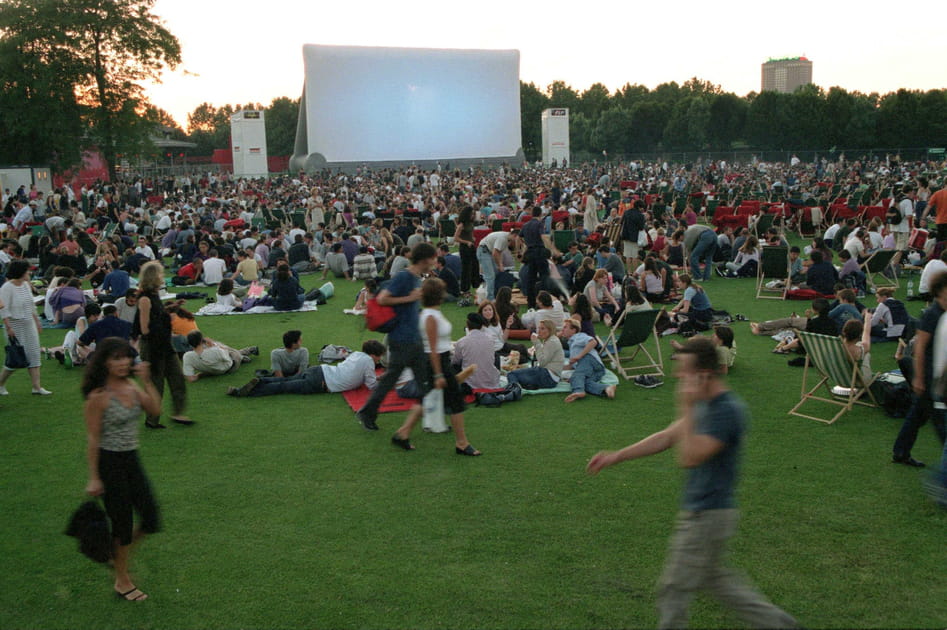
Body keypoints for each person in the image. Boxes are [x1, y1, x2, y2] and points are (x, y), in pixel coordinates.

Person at [586, 336, 798, 629]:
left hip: (707, 515)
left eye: (683, 370)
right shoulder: (704, 403)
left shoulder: (726, 411)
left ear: (704, 374)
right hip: (706, 512)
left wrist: (685, 403)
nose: (677, 376)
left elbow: (688, 456)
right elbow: (667, 437)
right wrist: (616, 456)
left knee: (673, 589)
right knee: (721, 583)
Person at [82, 338, 162, 601]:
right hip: (109, 463)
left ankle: (115, 555)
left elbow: (155, 410)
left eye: (126, 357)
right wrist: (94, 477)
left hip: (131, 459)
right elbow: (93, 439)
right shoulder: (98, 396)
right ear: (105, 361)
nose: (123, 362)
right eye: (116, 358)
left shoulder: (132, 387)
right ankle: (122, 580)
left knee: (150, 517)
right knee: (123, 524)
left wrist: (147, 381)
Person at [388, 277, 481, 455]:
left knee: (426, 401)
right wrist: (438, 375)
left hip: (438, 361)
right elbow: (432, 348)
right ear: (437, 295)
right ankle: (461, 443)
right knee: (455, 401)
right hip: (436, 363)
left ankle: (403, 433)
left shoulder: (432, 313)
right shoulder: (430, 316)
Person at [355, 242, 438, 432]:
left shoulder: (416, 277)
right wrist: (409, 298)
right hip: (401, 338)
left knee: (422, 378)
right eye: (432, 258)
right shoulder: (405, 276)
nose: (434, 262)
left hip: (412, 336)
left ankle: (431, 419)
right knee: (393, 379)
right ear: (425, 259)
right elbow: (383, 298)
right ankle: (368, 412)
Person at [892, 271, 947, 467]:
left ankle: (900, 452)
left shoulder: (943, 312)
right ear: (941, 290)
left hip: (937, 376)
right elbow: (920, 348)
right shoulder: (932, 314)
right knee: (941, 424)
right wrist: (919, 378)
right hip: (932, 377)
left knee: (917, 415)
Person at [133, 261, 192, 428]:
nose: (162, 278)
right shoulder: (144, 298)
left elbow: (156, 314)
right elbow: (145, 328)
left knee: (177, 379)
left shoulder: (154, 295)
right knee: (156, 384)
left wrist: (171, 308)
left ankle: (178, 413)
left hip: (164, 344)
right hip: (153, 346)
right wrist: (164, 322)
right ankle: (152, 420)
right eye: (160, 274)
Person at [229, 340, 385, 397]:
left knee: (284, 380)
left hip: (320, 370)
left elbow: (357, 373)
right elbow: (371, 385)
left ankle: (258, 381)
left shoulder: (357, 354)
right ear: (374, 355)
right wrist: (385, 382)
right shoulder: (369, 363)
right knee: (283, 387)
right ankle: (243, 392)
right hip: (322, 382)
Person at [0, 260, 51, 395]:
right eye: (27, 271)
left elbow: (31, 305)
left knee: (34, 354)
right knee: (16, 357)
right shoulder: (7, 288)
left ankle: (37, 387)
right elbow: (3, 309)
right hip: (14, 325)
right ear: (21, 272)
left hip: (28, 323)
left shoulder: (26, 286)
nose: (29, 273)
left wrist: (37, 321)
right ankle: (1, 383)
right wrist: (8, 326)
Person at [560, 318, 616, 403]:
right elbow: (572, 365)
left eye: (565, 327)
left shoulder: (578, 336)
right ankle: (606, 388)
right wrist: (555, 369)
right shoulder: (571, 344)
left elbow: (593, 342)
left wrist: (579, 356)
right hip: (598, 370)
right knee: (585, 382)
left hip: (589, 360)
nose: (562, 330)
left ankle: (578, 391)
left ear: (574, 330)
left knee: (577, 375)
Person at [507, 319, 565, 390]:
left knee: (511, 374)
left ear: (550, 330)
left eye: (542, 328)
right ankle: (526, 386)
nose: (539, 331)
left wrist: (537, 343)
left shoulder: (552, 342)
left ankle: (513, 390)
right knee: (519, 376)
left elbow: (542, 362)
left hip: (548, 376)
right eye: (539, 328)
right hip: (550, 377)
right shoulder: (550, 340)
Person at [452, 312, 501, 390]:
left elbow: (455, 362)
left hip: (471, 384)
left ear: (467, 324)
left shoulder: (462, 342)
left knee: (454, 366)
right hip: (492, 382)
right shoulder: (490, 339)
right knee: (496, 356)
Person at [181, 330, 256, 382]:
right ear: (201, 340)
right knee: (231, 351)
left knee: (225, 350)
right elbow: (227, 355)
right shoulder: (214, 351)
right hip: (230, 367)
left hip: (212, 371)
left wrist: (200, 375)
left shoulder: (187, 356)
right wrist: (215, 345)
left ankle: (243, 355)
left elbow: (191, 379)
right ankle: (245, 353)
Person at [476, 229, 519, 301]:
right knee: (490, 276)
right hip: (484, 251)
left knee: (496, 274)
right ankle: (490, 298)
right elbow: (495, 253)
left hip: (488, 251)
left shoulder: (506, 239)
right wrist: (500, 265)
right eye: (517, 239)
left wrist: (500, 265)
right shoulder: (503, 238)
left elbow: (499, 253)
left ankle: (494, 294)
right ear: (514, 236)